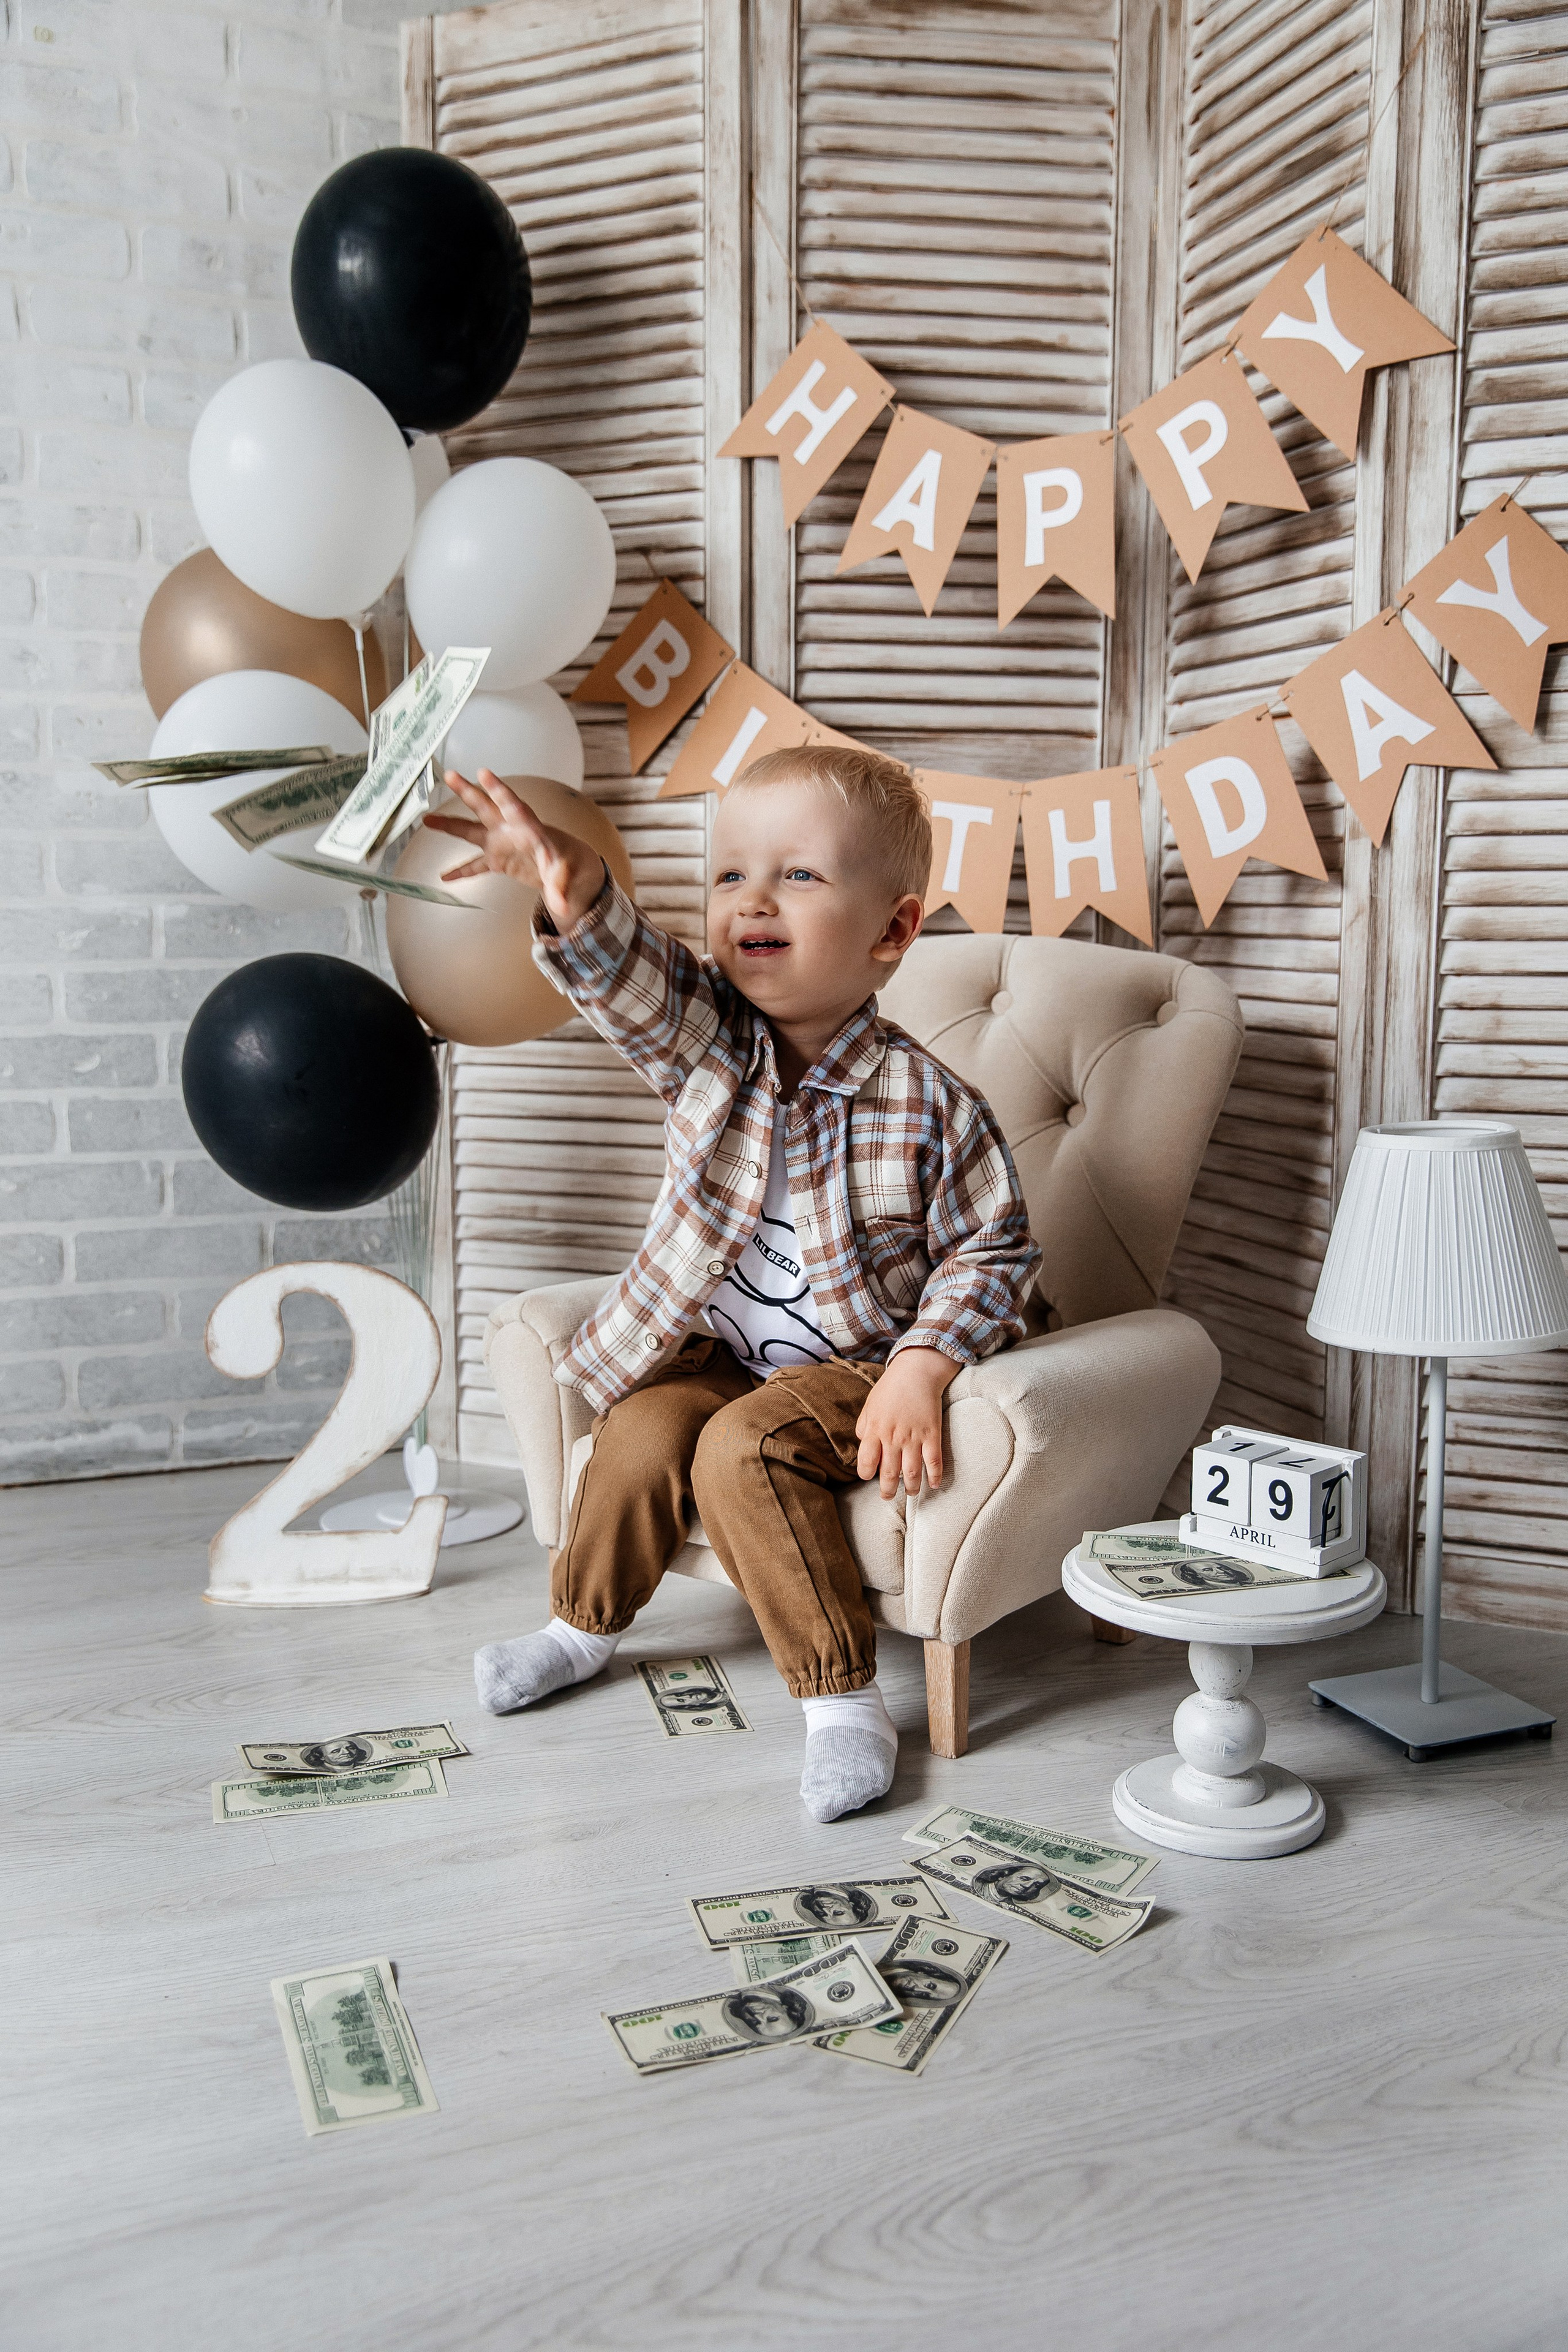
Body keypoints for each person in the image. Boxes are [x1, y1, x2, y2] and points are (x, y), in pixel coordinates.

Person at [431, 744, 1039, 1823]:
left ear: (892, 932)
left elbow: (991, 1251)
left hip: (855, 1363)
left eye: (799, 876)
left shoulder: (934, 1103)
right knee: (644, 1427)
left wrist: (922, 1364)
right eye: (730, 876)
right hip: (725, 1348)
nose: (753, 899)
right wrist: (574, 892)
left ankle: (843, 1696)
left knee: (743, 1447)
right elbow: (635, 982)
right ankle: (582, 1626)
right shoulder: (707, 1043)